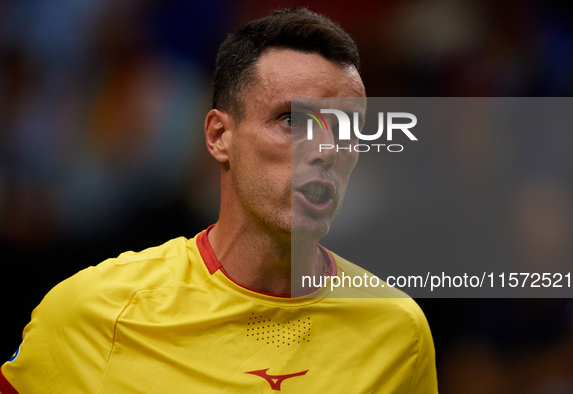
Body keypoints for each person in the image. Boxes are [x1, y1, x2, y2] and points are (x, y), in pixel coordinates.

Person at [0, 8, 437, 393]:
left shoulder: (400, 333)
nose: (326, 149)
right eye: (291, 119)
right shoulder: (93, 314)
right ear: (219, 136)